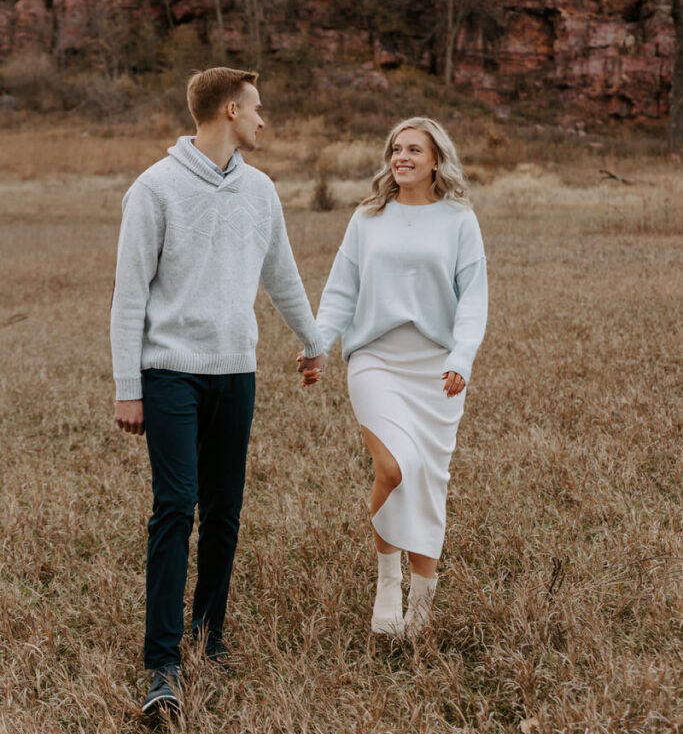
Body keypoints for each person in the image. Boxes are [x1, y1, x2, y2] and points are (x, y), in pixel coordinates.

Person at [111, 67, 325, 716]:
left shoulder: (261, 192)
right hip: (169, 370)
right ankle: (163, 665)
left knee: (224, 513)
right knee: (175, 506)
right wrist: (128, 388)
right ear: (230, 110)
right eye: (258, 109)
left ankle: (209, 638)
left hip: (236, 370)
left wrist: (312, 341)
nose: (264, 121)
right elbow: (129, 296)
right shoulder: (154, 189)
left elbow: (282, 274)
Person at [308, 117, 487, 637]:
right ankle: (388, 579)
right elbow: (341, 289)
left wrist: (461, 358)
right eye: (395, 149)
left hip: (437, 369)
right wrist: (318, 344)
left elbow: (474, 299)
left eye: (414, 149)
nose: (401, 157)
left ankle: (422, 609)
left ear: (436, 160)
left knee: (429, 481)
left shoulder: (459, 219)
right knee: (392, 467)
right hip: (375, 359)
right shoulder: (368, 217)